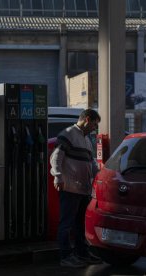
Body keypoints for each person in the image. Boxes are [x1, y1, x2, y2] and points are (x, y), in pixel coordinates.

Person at [50, 109, 102, 268]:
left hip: (83, 190)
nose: (95, 128)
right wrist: (58, 176)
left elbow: (91, 162)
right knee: (66, 224)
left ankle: (82, 253)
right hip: (70, 188)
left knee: (80, 224)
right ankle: (66, 256)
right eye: (94, 124)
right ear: (87, 119)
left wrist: (100, 175)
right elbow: (56, 157)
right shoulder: (68, 134)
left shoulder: (86, 140)